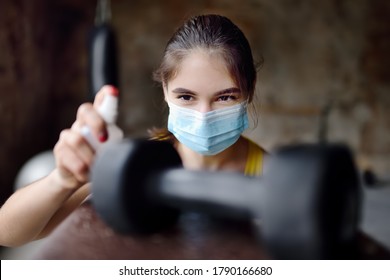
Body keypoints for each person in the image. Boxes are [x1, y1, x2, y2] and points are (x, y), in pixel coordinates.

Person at [0, 14, 266, 247]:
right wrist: (64, 178)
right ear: (164, 89)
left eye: (225, 97)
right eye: (186, 97)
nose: (204, 116)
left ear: (249, 91)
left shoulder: (272, 179)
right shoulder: (135, 168)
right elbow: (8, 234)